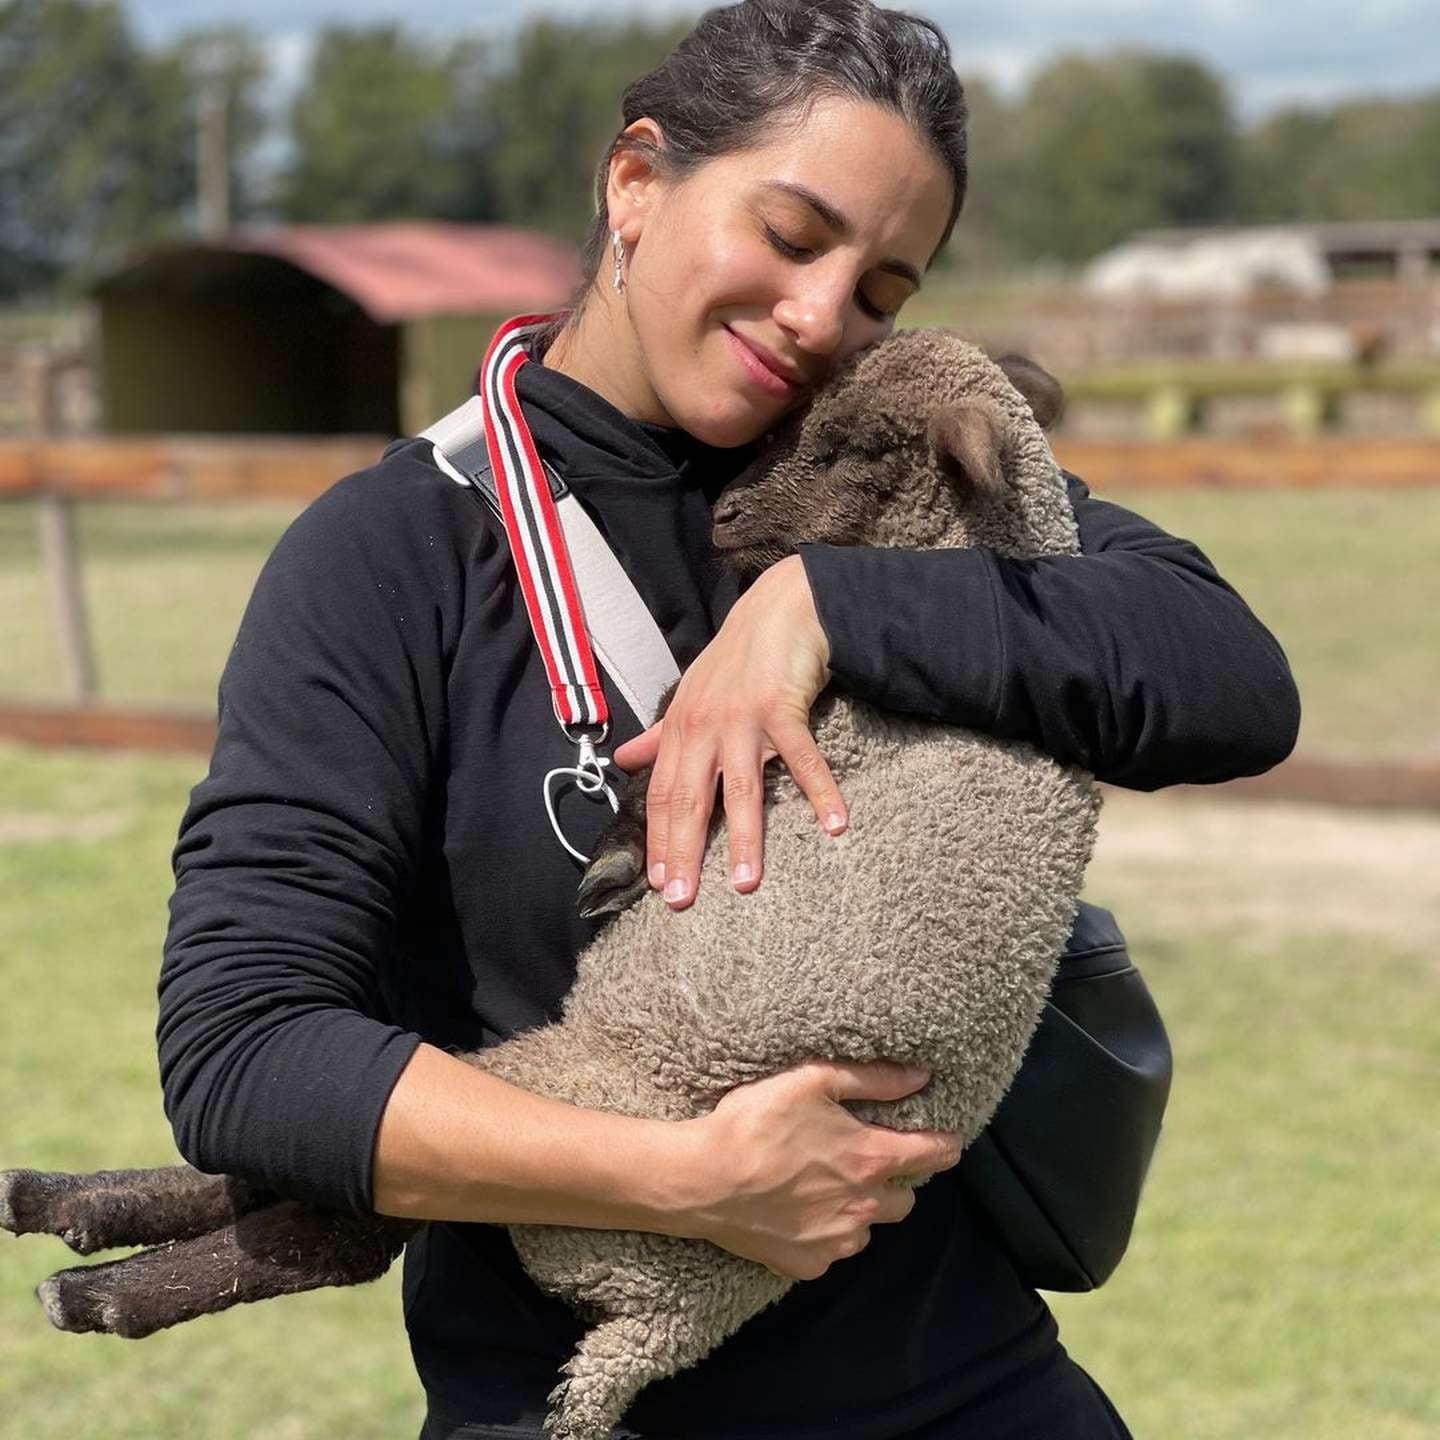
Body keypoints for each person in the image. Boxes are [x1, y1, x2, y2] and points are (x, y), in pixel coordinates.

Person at [157, 3, 1300, 1438]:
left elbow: (1233, 680)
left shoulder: (877, 476)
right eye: (790, 234)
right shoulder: (391, 556)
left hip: (980, 1390)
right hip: (588, 1400)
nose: (825, 318)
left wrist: (830, 604)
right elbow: (244, 1054)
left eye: (884, 288)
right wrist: (688, 1182)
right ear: (635, 183)